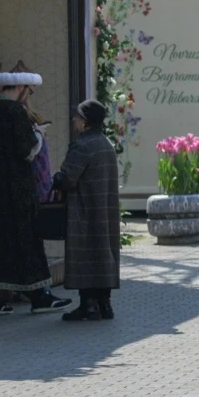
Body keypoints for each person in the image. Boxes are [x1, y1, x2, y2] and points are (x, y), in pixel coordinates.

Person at [0, 70, 71, 316]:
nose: (29, 95)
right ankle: (40, 296)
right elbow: (27, 151)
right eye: (30, 90)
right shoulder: (15, 112)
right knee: (27, 241)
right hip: (15, 190)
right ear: (22, 87)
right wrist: (39, 133)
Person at [55, 100, 121, 321]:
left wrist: (53, 179)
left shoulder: (82, 145)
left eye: (77, 117)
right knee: (103, 252)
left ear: (85, 121)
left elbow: (67, 178)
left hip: (84, 209)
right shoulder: (106, 144)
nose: (74, 120)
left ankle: (88, 305)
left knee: (85, 252)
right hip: (105, 209)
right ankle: (105, 304)